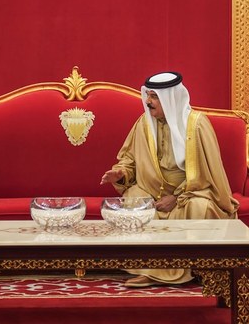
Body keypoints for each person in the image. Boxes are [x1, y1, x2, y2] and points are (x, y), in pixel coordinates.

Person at [100, 71, 239, 287]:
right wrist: (121, 173)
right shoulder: (143, 124)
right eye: (148, 95)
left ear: (170, 98)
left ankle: (198, 268)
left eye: (154, 97)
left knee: (199, 207)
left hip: (190, 191)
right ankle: (150, 270)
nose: (148, 102)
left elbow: (206, 173)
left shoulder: (197, 125)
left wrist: (176, 197)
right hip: (150, 191)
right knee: (133, 199)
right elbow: (129, 160)